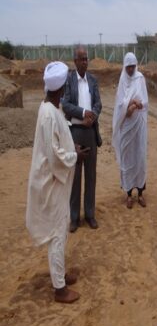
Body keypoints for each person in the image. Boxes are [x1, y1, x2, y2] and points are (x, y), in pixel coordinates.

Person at [26, 62, 89, 303]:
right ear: (60, 89)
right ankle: (59, 289)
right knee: (57, 233)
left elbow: (58, 143)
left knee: (60, 229)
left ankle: (60, 274)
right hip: (52, 183)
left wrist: (71, 148)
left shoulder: (50, 108)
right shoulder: (49, 114)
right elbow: (55, 157)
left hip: (55, 181)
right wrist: (76, 156)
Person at [62, 46, 102, 232]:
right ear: (75, 61)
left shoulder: (93, 80)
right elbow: (66, 105)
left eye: (86, 58)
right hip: (75, 133)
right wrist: (83, 113)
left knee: (91, 175)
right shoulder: (69, 81)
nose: (85, 61)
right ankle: (74, 217)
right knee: (75, 176)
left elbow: (98, 103)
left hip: (90, 132)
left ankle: (90, 214)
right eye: (82, 59)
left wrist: (92, 115)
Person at [112, 53, 148, 209]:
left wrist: (137, 105)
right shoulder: (122, 80)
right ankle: (128, 194)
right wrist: (132, 103)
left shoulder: (140, 78)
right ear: (125, 67)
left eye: (133, 66)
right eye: (128, 67)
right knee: (127, 158)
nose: (131, 69)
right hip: (127, 126)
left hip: (139, 124)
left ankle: (140, 193)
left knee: (139, 158)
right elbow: (121, 106)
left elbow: (145, 101)